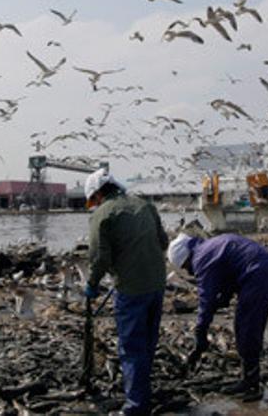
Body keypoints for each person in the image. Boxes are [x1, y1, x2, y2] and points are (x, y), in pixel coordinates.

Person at [84, 168, 168, 416]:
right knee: (148, 342)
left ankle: (135, 406)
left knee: (131, 347)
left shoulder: (102, 214)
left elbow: (99, 257)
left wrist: (92, 284)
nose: (94, 204)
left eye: (93, 200)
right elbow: (162, 242)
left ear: (98, 194)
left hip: (131, 290)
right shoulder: (145, 205)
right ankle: (143, 391)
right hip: (157, 284)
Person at [167, 232, 268, 402]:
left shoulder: (201, 259)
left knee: (247, 328)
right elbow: (229, 273)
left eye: (184, 266)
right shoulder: (208, 248)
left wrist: (201, 331)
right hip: (260, 268)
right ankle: (248, 378)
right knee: (245, 326)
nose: (187, 270)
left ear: (185, 258)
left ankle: (251, 384)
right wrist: (224, 299)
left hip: (257, 273)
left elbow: (206, 298)